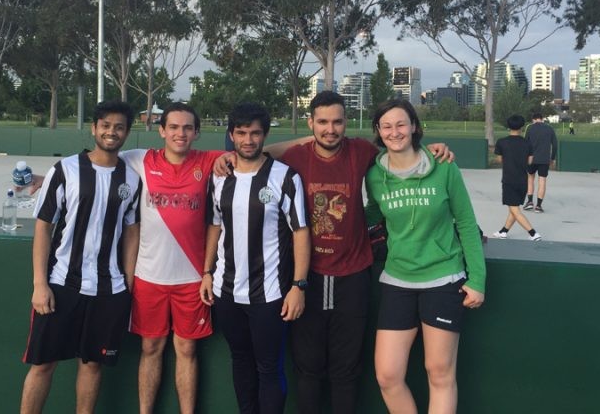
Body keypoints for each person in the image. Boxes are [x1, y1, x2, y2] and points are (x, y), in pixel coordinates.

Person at [213, 91, 453, 414]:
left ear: (346, 123)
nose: (330, 129)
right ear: (311, 123)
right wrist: (230, 157)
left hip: (353, 277)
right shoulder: (297, 157)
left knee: (346, 371)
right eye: (322, 122)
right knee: (307, 369)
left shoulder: (361, 152)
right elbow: (261, 152)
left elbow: (401, 146)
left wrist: (433, 148)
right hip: (308, 277)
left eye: (337, 121)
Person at [364, 99, 485, 414]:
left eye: (401, 124)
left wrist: (478, 279)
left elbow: (467, 224)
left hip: (443, 278)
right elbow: (373, 214)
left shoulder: (443, 165)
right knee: (388, 375)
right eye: (387, 126)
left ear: (414, 126)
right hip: (397, 280)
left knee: (439, 372)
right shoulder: (375, 175)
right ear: (378, 131)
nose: (395, 132)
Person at [20, 101, 141, 414]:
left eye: (119, 127)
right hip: (61, 285)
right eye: (105, 125)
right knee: (43, 365)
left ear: (127, 132)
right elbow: (44, 228)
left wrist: (127, 285)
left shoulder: (132, 179)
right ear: (94, 128)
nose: (111, 132)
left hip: (108, 290)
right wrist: (39, 283)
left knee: (91, 366)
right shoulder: (66, 170)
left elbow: (131, 232)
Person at [200, 103, 310, 414]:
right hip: (227, 291)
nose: (249, 140)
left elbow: (301, 232)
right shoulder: (220, 176)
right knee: (241, 361)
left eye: (256, 133)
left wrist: (298, 285)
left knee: (269, 368)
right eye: (242, 133)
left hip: (270, 294)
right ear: (231, 135)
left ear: (265, 135)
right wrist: (207, 272)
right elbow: (214, 225)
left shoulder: (285, 176)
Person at [121, 102, 227, 414]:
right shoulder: (141, 159)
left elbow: (260, 152)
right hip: (149, 277)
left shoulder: (209, 161)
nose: (180, 133)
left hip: (192, 279)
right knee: (150, 348)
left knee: (187, 349)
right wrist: (45, 180)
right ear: (162, 130)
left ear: (196, 132)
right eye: (174, 127)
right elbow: (94, 165)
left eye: (187, 128)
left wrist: (307, 141)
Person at [492, 115, 542, 241]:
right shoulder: (527, 143)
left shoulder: (501, 142)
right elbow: (530, 161)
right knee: (514, 209)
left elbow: (498, 159)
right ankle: (503, 231)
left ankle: (533, 233)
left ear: (508, 126)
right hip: (523, 181)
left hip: (509, 180)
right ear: (522, 127)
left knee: (514, 209)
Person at [523, 113, 558, 213]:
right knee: (542, 180)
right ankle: (538, 206)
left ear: (533, 119)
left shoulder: (530, 128)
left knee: (530, 178)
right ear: (542, 119)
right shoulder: (550, 128)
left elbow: (525, 143)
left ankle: (529, 202)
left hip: (531, 159)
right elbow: (555, 145)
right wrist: (552, 158)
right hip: (544, 159)